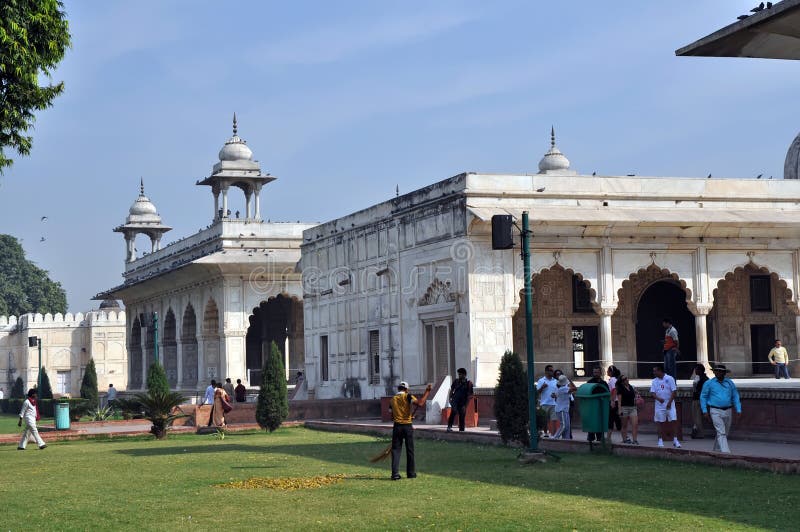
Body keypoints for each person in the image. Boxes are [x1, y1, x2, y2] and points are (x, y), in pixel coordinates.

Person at [389, 381, 431, 480]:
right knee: (410, 450)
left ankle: (395, 474)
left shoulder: (392, 399)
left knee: (395, 450)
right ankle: (411, 473)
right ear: (407, 389)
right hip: (407, 426)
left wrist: (401, 416)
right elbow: (420, 403)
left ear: (398, 389)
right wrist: (427, 392)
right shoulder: (408, 396)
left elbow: (391, 416)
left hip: (397, 426)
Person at [700, 365, 742, 454]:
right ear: (714, 372)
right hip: (715, 410)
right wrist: (704, 411)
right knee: (721, 431)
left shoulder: (729, 383)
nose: (718, 372)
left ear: (724, 373)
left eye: (720, 371)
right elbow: (703, 397)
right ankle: (726, 453)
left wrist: (738, 409)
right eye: (716, 371)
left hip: (728, 410)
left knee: (724, 432)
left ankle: (716, 449)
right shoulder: (709, 383)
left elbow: (735, 396)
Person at [651, 364, 681, 448]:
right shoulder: (654, 381)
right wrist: (658, 398)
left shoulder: (670, 378)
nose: (654, 372)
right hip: (659, 405)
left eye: (655, 371)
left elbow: (674, 391)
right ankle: (660, 440)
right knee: (659, 422)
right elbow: (652, 393)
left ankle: (675, 440)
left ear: (660, 371)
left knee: (674, 420)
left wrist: (669, 402)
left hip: (670, 404)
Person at [446, 368, 474, 432]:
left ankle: (461, 431)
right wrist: (450, 399)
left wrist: (466, 405)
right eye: (458, 374)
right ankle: (449, 427)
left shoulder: (469, 383)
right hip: (455, 401)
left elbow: (470, 395)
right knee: (452, 414)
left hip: (463, 403)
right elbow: (451, 390)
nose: (459, 376)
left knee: (462, 417)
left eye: (460, 374)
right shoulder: (456, 381)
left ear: (464, 375)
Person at [586, 367, 609, 442]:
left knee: (599, 422)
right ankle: (591, 438)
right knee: (592, 422)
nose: (595, 374)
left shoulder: (603, 383)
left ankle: (600, 438)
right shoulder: (589, 382)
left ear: (600, 373)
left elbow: (607, 393)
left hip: (601, 406)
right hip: (592, 406)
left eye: (597, 372)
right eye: (594, 372)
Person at [536, 365, 559, 438]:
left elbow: (558, 392)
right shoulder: (541, 380)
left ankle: (554, 435)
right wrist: (542, 387)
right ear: (546, 371)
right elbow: (537, 392)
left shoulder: (555, 381)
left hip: (554, 403)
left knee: (554, 420)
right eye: (550, 370)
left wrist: (556, 395)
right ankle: (546, 433)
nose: (552, 372)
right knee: (545, 420)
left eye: (552, 370)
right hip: (544, 403)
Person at [551, 374, 576, 439]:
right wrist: (570, 381)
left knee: (567, 426)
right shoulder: (564, 389)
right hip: (561, 410)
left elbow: (554, 395)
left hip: (564, 409)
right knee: (564, 426)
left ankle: (566, 440)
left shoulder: (561, 389)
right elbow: (574, 388)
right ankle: (555, 438)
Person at [616, 375, 639, 444]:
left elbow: (634, 395)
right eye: (625, 379)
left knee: (635, 424)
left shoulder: (631, 387)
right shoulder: (620, 389)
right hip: (624, 408)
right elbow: (619, 401)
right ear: (622, 381)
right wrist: (620, 409)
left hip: (633, 408)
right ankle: (624, 439)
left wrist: (636, 396)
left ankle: (635, 440)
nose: (627, 380)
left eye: (627, 378)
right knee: (624, 425)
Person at [690, 364, 709, 438]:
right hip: (696, 399)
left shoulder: (704, 379)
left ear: (700, 370)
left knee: (698, 417)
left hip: (700, 400)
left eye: (696, 370)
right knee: (695, 417)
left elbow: (705, 391)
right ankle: (697, 432)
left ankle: (700, 433)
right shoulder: (698, 378)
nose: (695, 371)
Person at [607, 365, 622, 442]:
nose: (607, 372)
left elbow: (614, 390)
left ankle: (608, 437)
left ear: (611, 372)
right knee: (616, 420)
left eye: (608, 370)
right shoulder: (616, 379)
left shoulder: (612, 380)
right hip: (616, 401)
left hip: (614, 401)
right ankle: (624, 437)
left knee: (611, 419)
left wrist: (612, 401)